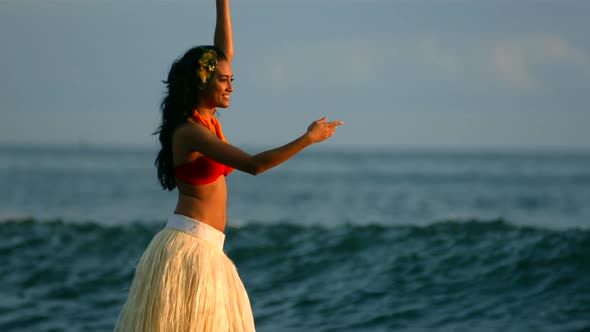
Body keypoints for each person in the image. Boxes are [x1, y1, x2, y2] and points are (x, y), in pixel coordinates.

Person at [114, 0, 343, 331]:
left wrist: (223, 3)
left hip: (208, 250)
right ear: (202, 82)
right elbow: (254, 165)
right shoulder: (190, 132)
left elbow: (223, 51)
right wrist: (308, 138)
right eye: (224, 80)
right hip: (189, 250)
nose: (231, 87)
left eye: (231, 78)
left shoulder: (205, 120)